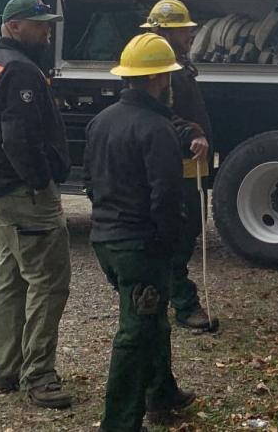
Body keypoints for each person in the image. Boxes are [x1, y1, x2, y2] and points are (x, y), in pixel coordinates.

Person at [84, 33, 198, 431]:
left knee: (152, 320)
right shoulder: (156, 129)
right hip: (140, 246)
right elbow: (165, 196)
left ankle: (161, 391)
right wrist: (169, 244)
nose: (169, 84)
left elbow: (89, 182)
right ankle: (120, 422)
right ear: (157, 80)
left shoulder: (101, 121)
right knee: (135, 332)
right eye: (166, 77)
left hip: (106, 241)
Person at [0, 0, 73, 409]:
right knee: (49, 284)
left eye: (47, 24)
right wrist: (39, 181)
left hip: (0, 191)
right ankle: (40, 377)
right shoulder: (20, 71)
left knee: (11, 281)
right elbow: (18, 138)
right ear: (14, 25)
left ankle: (6, 369)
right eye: (39, 25)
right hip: (23, 193)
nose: (47, 31)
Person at [140, 0, 215, 331]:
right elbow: (161, 119)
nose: (190, 36)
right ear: (164, 32)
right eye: (183, 31)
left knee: (189, 231)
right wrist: (192, 135)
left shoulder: (177, 67)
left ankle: (165, 296)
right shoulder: (159, 72)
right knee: (178, 237)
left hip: (191, 164)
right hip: (178, 165)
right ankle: (183, 303)